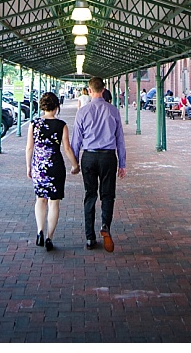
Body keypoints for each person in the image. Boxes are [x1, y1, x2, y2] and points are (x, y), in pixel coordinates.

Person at [71, 76, 126, 252]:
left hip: (89, 156)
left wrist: (75, 162)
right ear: (103, 90)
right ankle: (105, 226)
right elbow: (120, 140)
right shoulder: (113, 110)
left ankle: (89, 237)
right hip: (108, 157)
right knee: (108, 194)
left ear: (89, 89)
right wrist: (122, 163)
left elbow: (76, 141)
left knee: (90, 194)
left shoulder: (82, 112)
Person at [25, 91, 79, 251]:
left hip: (39, 166)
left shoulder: (34, 124)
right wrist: (75, 165)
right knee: (54, 202)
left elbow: (29, 147)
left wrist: (29, 166)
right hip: (55, 166)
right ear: (56, 107)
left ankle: (39, 230)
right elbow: (67, 148)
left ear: (43, 106)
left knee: (40, 199)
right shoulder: (61, 125)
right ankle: (49, 237)